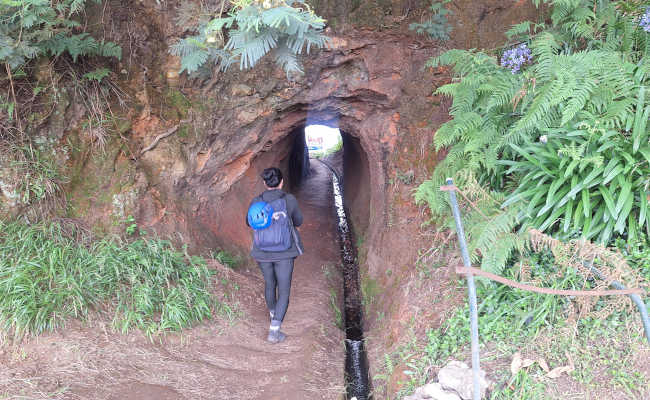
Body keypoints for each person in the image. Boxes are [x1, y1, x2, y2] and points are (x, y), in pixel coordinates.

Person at [246, 167, 304, 343]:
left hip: (262, 252)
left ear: (265, 183)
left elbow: (249, 222)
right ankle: (274, 330)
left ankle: (273, 314)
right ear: (281, 182)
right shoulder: (289, 200)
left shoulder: (257, 201)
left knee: (270, 283)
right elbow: (298, 220)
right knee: (284, 290)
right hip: (284, 252)